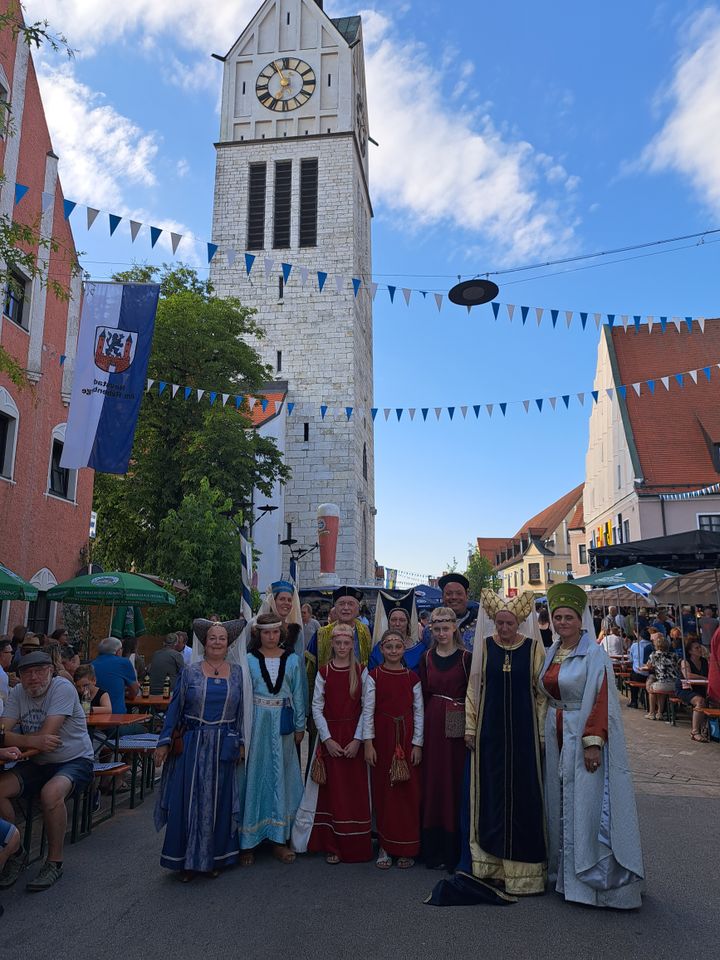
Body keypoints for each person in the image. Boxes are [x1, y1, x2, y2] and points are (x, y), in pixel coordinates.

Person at [539, 582, 643, 909]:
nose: (562, 622)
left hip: (580, 733)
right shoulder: (553, 651)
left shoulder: (594, 654)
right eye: (558, 617)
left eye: (568, 617)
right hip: (555, 733)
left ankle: (590, 882)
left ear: (580, 619)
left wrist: (593, 743)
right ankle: (562, 877)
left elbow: (601, 700)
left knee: (583, 803)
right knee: (558, 802)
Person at [154, 619, 246, 880]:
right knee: (190, 801)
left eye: (222, 638)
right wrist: (164, 742)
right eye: (213, 638)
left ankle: (214, 858)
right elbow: (175, 709)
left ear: (228, 644)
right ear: (205, 643)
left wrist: (240, 743)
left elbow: (241, 713)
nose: (217, 642)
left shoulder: (238, 673)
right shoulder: (190, 672)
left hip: (224, 743)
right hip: (193, 744)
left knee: (219, 802)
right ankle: (187, 861)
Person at [0, 650, 94, 892]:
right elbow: (7, 733)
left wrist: (15, 738)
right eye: (27, 673)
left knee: (51, 794)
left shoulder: (62, 687)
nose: (33, 677)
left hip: (75, 759)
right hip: (38, 761)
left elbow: (48, 733)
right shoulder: (18, 693)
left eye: (39, 671)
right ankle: (14, 850)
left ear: (51, 672)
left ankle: (54, 861)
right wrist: (33, 741)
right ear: (19, 676)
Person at [291, 623, 372, 864]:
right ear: (332, 644)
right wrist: (326, 739)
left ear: (352, 645)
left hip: (353, 737)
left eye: (347, 643)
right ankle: (331, 844)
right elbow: (316, 707)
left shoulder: (362, 671)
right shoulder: (324, 672)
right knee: (331, 792)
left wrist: (358, 739)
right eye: (338, 643)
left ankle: (356, 845)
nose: (343, 647)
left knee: (353, 791)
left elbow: (367, 708)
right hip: (330, 738)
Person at [236, 614, 305, 865]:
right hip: (256, 722)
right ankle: (248, 841)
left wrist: (300, 726)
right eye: (266, 633)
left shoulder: (294, 660)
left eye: (275, 632)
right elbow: (242, 696)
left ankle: (280, 839)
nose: (271, 637)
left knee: (281, 777)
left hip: (283, 724)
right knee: (254, 776)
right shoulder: (249, 661)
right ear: (258, 635)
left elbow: (298, 693)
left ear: (281, 633)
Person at [363, 629, 423, 870]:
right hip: (383, 739)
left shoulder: (413, 678)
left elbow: (419, 712)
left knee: (408, 793)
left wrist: (418, 743)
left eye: (398, 647)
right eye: (389, 647)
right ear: (381, 650)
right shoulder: (374, 675)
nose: (394, 651)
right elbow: (367, 710)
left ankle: (407, 846)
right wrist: (368, 743)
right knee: (385, 791)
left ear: (403, 649)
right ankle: (386, 845)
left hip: (407, 738)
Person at [418, 607, 471, 872]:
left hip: (458, 722)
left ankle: (454, 849)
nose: (441, 633)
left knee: (455, 780)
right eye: (436, 629)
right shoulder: (426, 657)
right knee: (434, 780)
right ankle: (433, 848)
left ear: (454, 628)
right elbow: (422, 694)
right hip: (432, 721)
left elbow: (474, 694)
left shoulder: (465, 658)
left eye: (445, 628)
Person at [307, 586, 373, 671]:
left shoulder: (368, 632)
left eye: (350, 604)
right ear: (335, 608)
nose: (346, 608)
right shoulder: (320, 635)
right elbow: (310, 669)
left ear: (358, 608)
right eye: (341, 604)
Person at [368, 595, 425, 672]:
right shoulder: (378, 648)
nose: (397, 624)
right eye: (393, 620)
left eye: (402, 620)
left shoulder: (420, 649)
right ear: (388, 623)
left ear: (408, 623)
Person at [92, 636, 140, 713]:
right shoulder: (123, 663)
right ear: (118, 651)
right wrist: (126, 694)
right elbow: (134, 691)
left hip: (94, 714)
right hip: (116, 716)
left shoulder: (91, 665)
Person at [433, 574, 477, 651]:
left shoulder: (480, 625)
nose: (454, 597)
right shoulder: (430, 629)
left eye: (459, 593)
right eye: (449, 594)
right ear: (442, 596)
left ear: (467, 595)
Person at [678, 637, 709, 742]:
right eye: (697, 648)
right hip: (685, 689)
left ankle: (708, 728)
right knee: (700, 701)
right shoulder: (685, 662)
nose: (700, 650)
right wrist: (704, 678)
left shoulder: (704, 661)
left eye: (700, 647)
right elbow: (688, 675)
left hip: (700, 687)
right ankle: (695, 732)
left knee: (713, 700)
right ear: (690, 651)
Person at [643, 634, 679, 721]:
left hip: (662, 682)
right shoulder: (673, 655)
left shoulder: (654, 655)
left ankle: (652, 713)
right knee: (661, 693)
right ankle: (660, 713)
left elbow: (648, 666)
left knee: (651, 690)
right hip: (674, 683)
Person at [627, 633, 653, 709]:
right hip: (650, 674)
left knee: (633, 674)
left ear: (641, 636)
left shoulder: (635, 645)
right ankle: (648, 703)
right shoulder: (653, 646)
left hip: (638, 674)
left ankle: (634, 701)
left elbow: (631, 659)